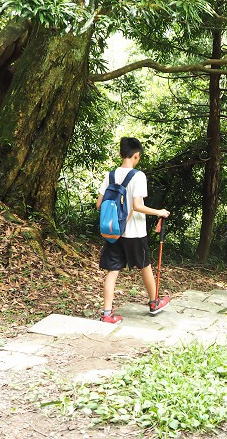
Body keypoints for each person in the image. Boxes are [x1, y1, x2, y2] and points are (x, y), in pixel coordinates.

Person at [96, 137, 171, 324]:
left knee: (112, 270)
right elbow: (137, 205)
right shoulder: (138, 176)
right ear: (136, 155)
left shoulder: (110, 175)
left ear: (121, 154)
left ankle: (107, 313)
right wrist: (159, 212)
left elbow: (99, 204)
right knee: (145, 265)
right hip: (134, 231)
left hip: (114, 231)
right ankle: (154, 303)